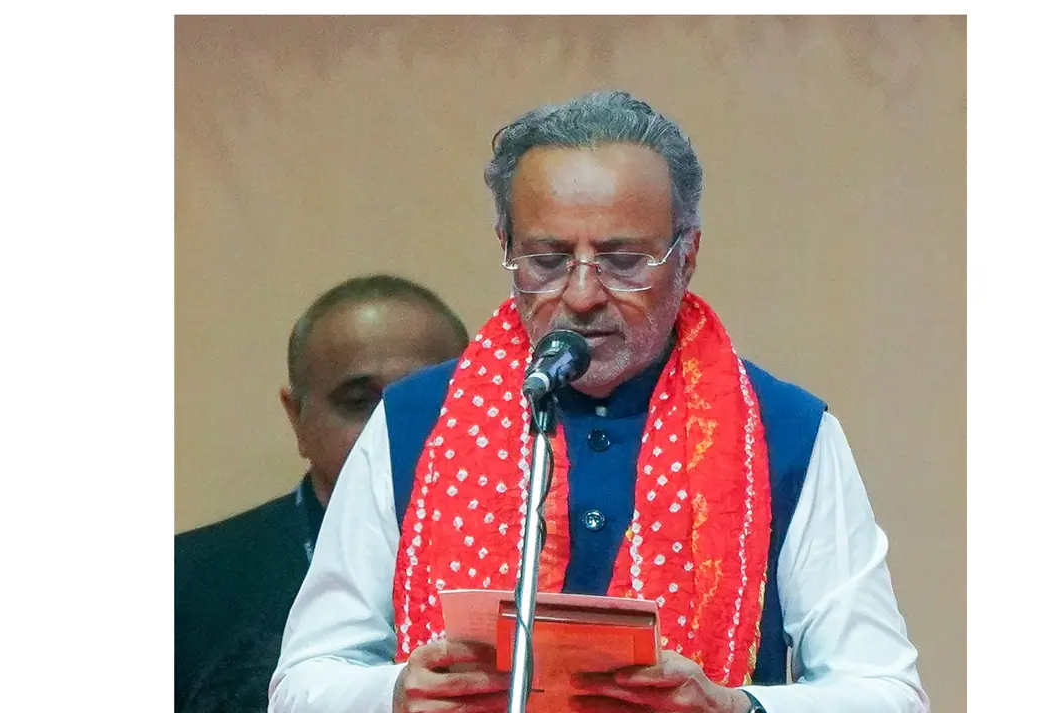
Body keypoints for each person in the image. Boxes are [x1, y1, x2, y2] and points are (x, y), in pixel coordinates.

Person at [268, 92, 930, 713]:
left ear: (687, 256)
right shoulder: (415, 422)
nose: (582, 295)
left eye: (623, 260)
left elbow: (887, 690)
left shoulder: (786, 432)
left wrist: (735, 706)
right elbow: (302, 680)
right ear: (506, 248)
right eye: (548, 259)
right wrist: (394, 693)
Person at [175, 274, 472, 712]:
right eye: (358, 402)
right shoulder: (186, 580)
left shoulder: (523, 552)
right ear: (297, 417)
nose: (389, 427)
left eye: (422, 403)